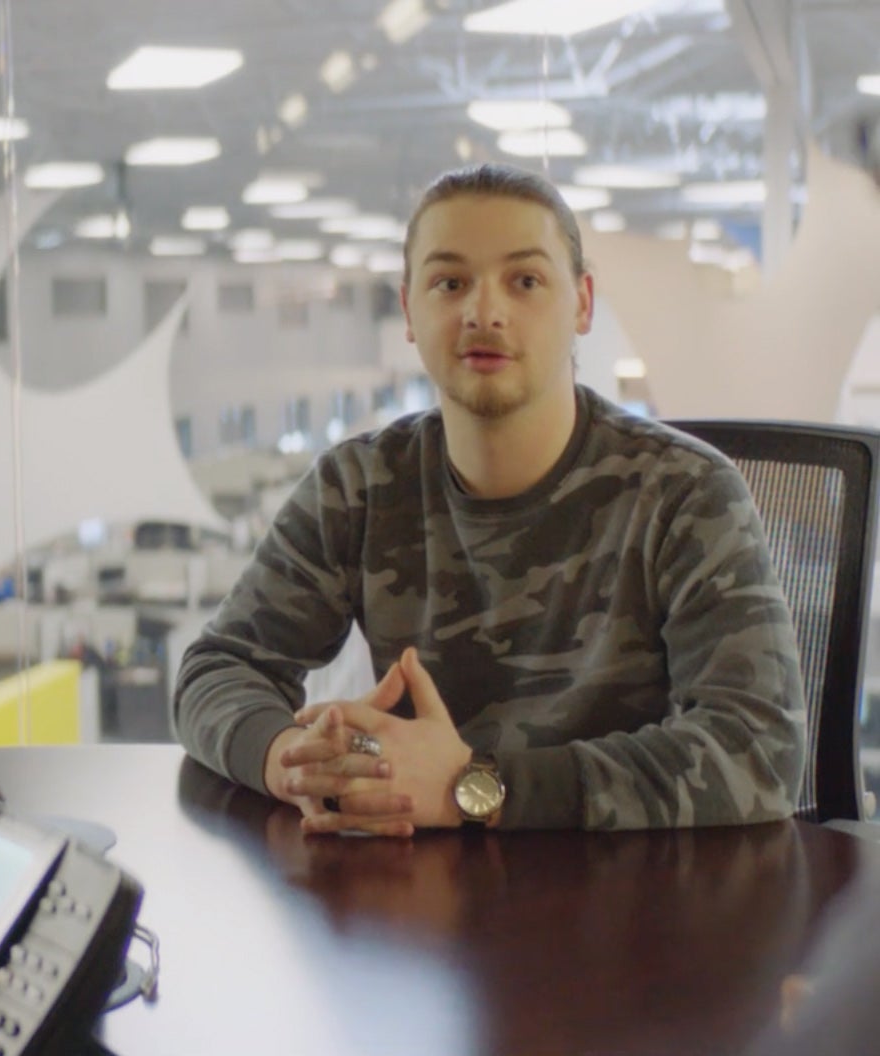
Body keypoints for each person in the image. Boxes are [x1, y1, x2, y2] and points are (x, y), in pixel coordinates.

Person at [173, 163, 804, 834]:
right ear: (409, 310)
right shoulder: (357, 488)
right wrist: (287, 758)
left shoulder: (683, 493)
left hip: (633, 902)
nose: (484, 311)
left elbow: (757, 750)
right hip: (422, 907)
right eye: (449, 282)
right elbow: (218, 667)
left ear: (582, 303)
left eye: (524, 281)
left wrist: (472, 786)